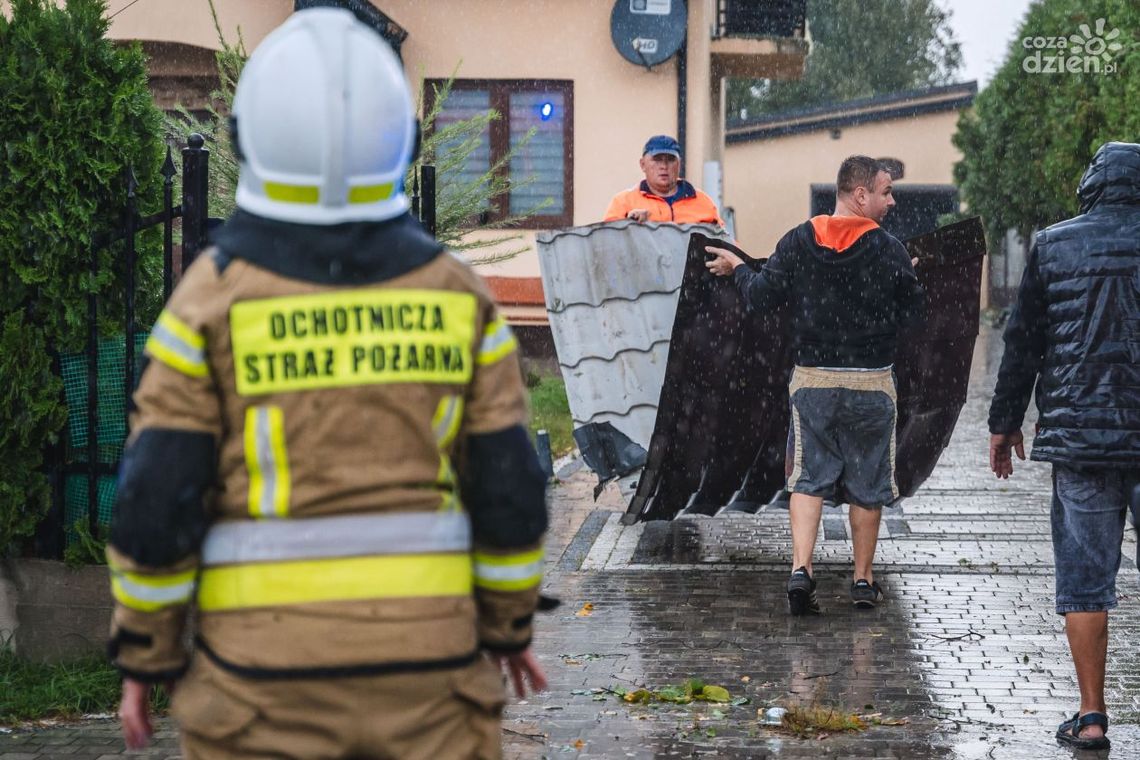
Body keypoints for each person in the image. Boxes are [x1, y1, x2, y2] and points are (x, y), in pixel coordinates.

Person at [106, 9, 549, 758]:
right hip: (429, 684)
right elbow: (508, 487)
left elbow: (157, 497)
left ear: (248, 138)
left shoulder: (208, 302)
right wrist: (508, 628)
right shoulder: (457, 297)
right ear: (400, 144)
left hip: (260, 689)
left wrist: (145, 656)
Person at [705, 155, 925, 615]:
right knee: (868, 483)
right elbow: (914, 318)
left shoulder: (800, 240)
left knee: (808, 478)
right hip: (871, 385)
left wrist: (737, 270)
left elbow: (762, 297)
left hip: (814, 382)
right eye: (886, 192)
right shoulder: (889, 249)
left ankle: (801, 571)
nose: (892, 201)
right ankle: (862, 581)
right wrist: (906, 277)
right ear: (859, 194)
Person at [988, 141, 1140, 752]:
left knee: (1084, 581)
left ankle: (1092, 716)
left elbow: (1022, 341)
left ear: (1092, 186)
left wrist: (1003, 423)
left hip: (1080, 441)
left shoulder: (1053, 244)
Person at [603, 135, 725, 226]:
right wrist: (629, 224)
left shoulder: (703, 202)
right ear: (642, 164)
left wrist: (725, 259)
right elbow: (607, 246)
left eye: (670, 159)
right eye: (657, 159)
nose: (664, 166)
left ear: (679, 164)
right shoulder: (623, 203)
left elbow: (728, 245)